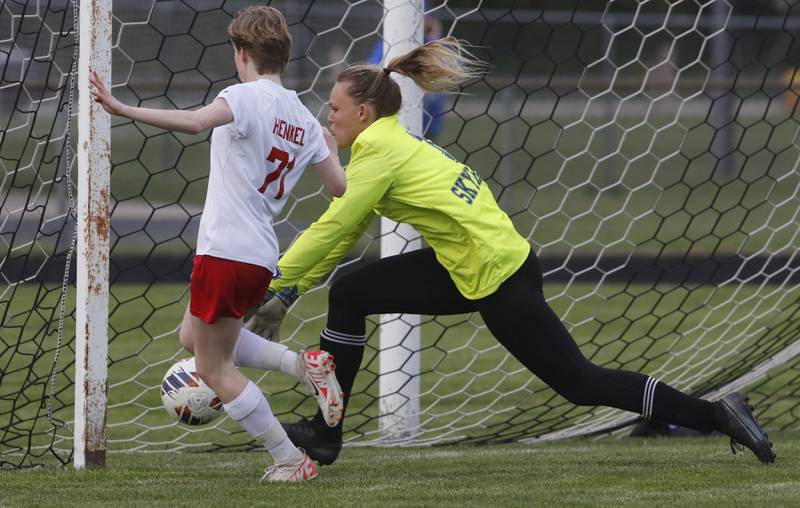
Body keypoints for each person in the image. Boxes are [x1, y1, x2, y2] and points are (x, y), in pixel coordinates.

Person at [246, 36, 777, 467]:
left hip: (498, 275)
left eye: (334, 108)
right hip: (468, 264)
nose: (327, 117)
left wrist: (274, 286)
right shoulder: (387, 143)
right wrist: (289, 290)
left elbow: (335, 226)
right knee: (353, 291)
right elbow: (341, 233)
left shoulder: (379, 152)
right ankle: (325, 432)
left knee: (580, 382)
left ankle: (715, 414)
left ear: (362, 112)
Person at [90, 6, 347, 482]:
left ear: (242, 52)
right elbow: (337, 188)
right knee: (191, 337)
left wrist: (122, 109)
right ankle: (302, 365)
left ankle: (289, 459)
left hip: (226, 251)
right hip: (260, 256)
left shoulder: (243, 97)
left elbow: (194, 123)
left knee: (213, 368)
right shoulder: (303, 116)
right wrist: (328, 149)